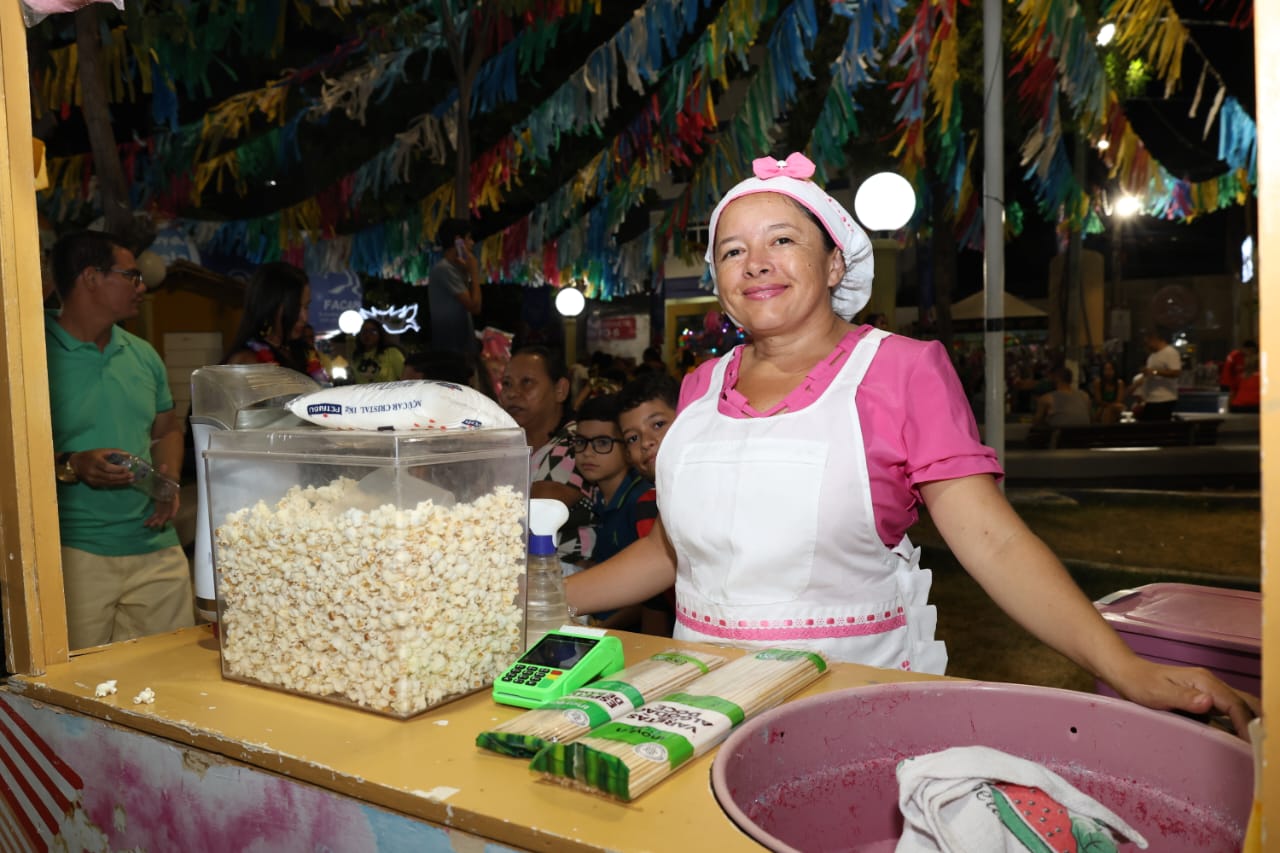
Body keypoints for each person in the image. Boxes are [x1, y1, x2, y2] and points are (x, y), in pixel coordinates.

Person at [564, 152, 1257, 736]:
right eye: (733, 250)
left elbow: (994, 542)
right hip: (699, 705)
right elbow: (672, 550)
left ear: (835, 265)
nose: (756, 263)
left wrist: (1126, 666)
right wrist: (549, 597)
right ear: (718, 281)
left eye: (783, 240)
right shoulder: (700, 387)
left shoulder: (900, 370)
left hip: (842, 704)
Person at [45, 230, 194, 650]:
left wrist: (167, 480)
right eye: (131, 276)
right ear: (91, 277)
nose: (142, 285)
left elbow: (166, 428)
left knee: (167, 680)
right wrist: (72, 463)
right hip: (72, 551)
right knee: (76, 691)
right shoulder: (28, 348)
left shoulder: (143, 354)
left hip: (157, 547)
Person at [499, 345, 592, 564]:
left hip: (567, 572)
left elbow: (532, 517)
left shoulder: (577, 442)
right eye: (507, 384)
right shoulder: (507, 446)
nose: (512, 393)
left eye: (527, 383)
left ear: (560, 389)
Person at [572, 394, 652, 630]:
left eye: (603, 443)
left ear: (628, 449)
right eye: (580, 442)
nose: (588, 452)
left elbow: (648, 597)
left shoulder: (641, 501)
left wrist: (598, 631)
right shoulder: (598, 498)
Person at [617, 371, 681, 636]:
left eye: (658, 424)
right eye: (632, 438)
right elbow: (657, 603)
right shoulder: (645, 507)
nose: (646, 443)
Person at [224, 262, 328, 383]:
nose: (304, 317)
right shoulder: (247, 361)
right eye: (295, 308)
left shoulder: (305, 353)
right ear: (269, 306)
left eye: (306, 307)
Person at [427, 218, 482, 356]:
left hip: (458, 350)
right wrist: (474, 272)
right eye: (469, 238)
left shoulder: (452, 269)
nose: (472, 243)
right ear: (459, 241)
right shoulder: (444, 269)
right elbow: (475, 307)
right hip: (452, 352)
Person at [1135, 327, 1181, 421]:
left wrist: (1155, 372)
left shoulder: (1170, 352)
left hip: (1164, 398)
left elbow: (1176, 372)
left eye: (1148, 342)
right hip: (1151, 398)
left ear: (1154, 339)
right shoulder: (1152, 356)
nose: (1147, 345)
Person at [351, 319, 405, 384]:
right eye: (364, 331)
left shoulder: (392, 353)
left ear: (380, 334)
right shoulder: (357, 357)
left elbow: (405, 377)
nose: (368, 334)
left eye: (373, 331)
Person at [1090, 360, 1128, 425]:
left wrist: (1111, 407)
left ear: (1115, 371)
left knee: (1120, 407)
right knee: (1106, 411)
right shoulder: (1098, 382)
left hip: (1115, 407)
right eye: (1106, 369)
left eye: (1110, 369)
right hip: (1100, 407)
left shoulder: (1119, 383)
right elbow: (1098, 401)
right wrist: (1109, 407)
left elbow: (1119, 400)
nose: (1108, 372)